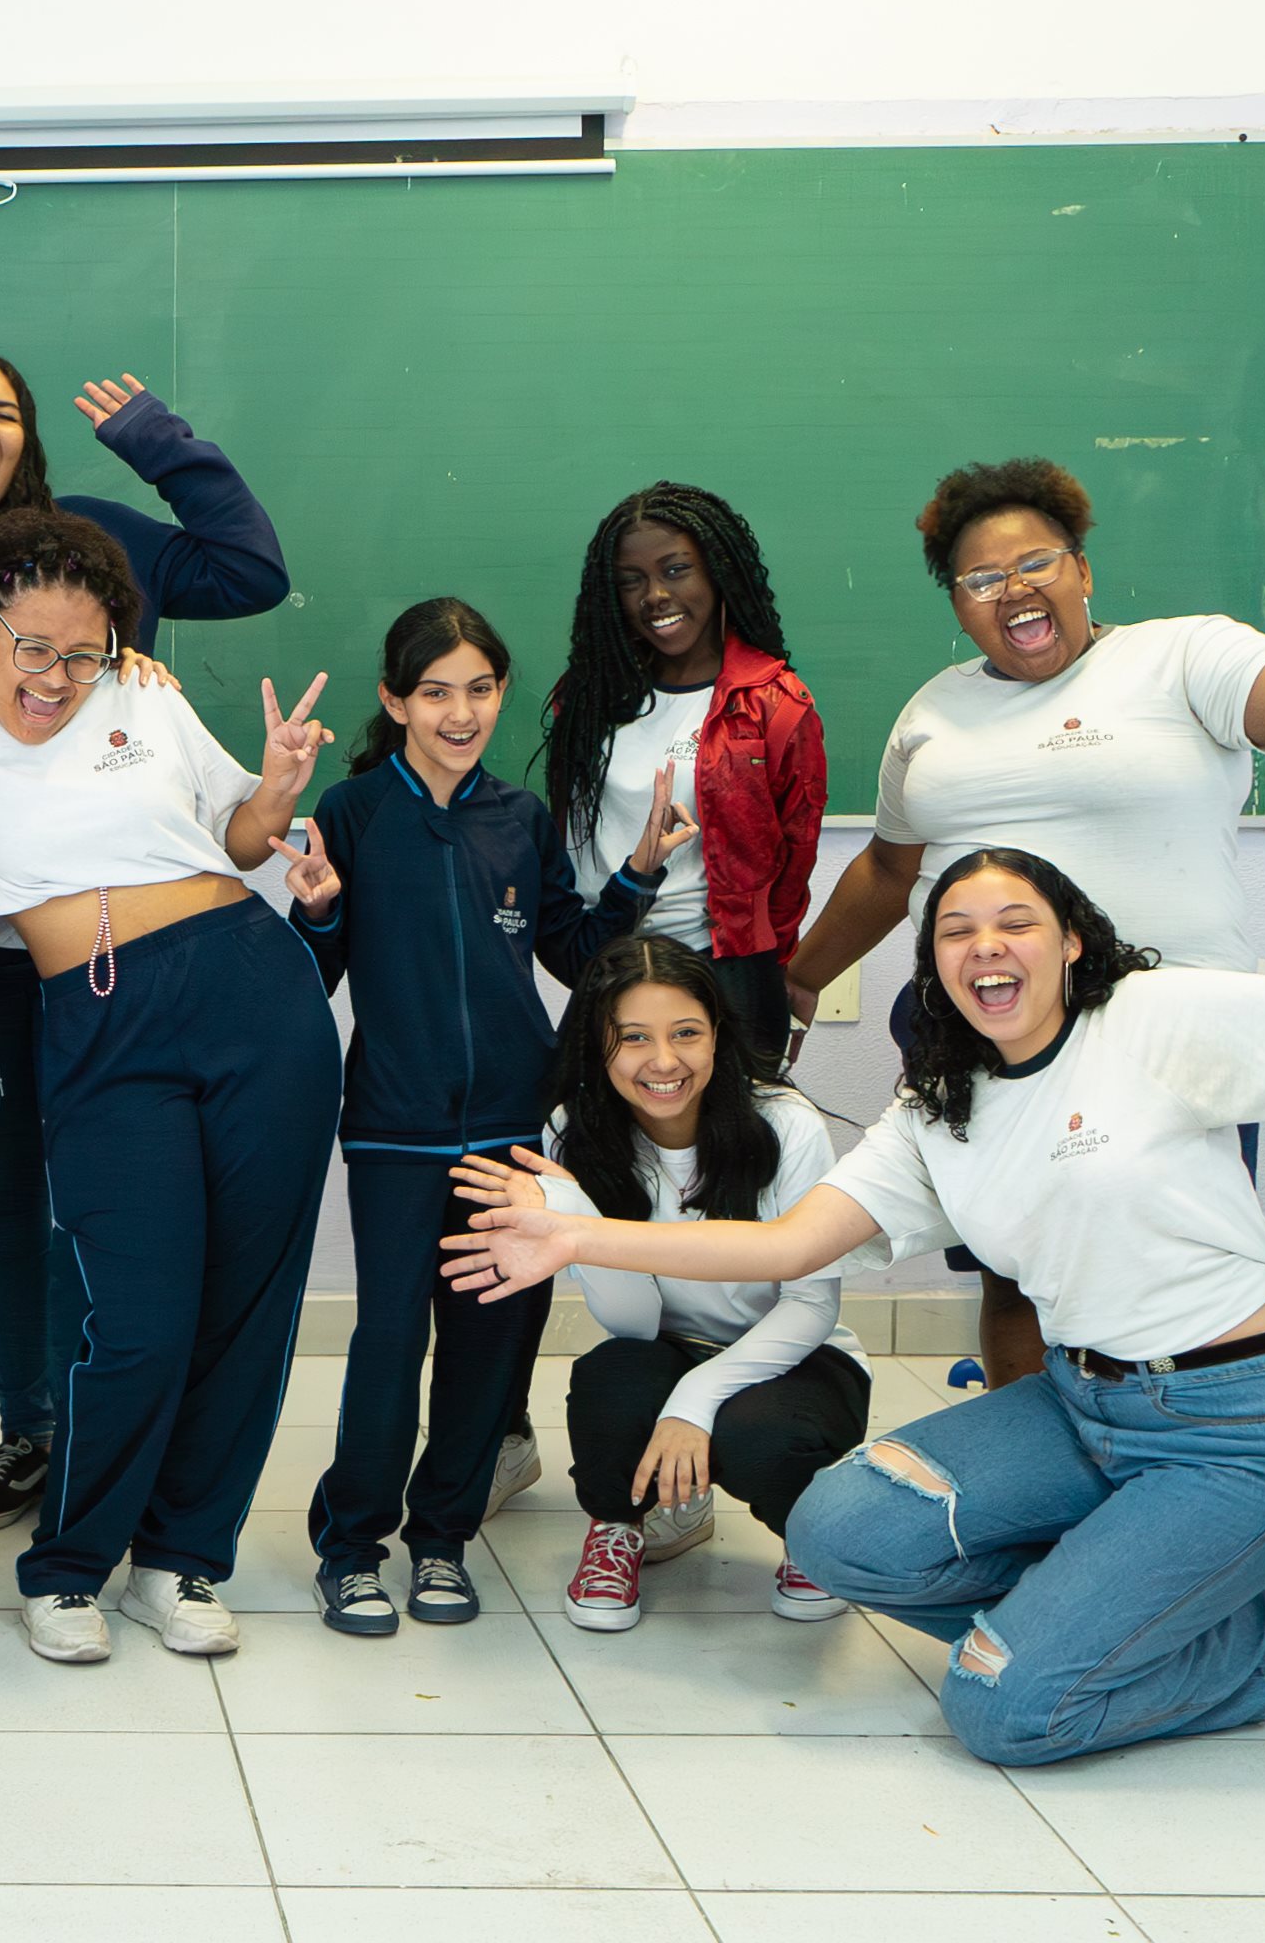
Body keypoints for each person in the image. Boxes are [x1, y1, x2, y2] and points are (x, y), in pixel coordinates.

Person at [448, 732, 1265, 1763]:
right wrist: (573, 1230)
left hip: (1240, 1420)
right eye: (954, 933)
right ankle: (1115, 1609)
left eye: (1012, 922)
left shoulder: (1165, 1019)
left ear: (1071, 938)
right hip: (1081, 1410)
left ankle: (1256, 1645)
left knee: (1003, 1713)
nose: (982, 948)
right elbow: (788, 1250)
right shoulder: (937, 1109)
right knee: (842, 1531)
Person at [782, 457, 1265, 1389]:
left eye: (1036, 563)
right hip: (989, 1027)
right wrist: (797, 977)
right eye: (982, 580)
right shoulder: (933, 711)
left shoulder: (1179, 655)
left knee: (1185, 1265)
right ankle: (1043, 1463)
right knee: (1013, 1273)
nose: (1014, 591)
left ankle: (1203, 1450)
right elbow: (887, 867)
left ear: (1081, 568)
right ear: (957, 605)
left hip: (1174, 1031)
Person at [0, 506, 337, 1662]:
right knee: (134, 1315)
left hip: (251, 989)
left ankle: (182, 1561)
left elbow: (238, 839)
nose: (57, 676)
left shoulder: (143, 694)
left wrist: (280, 787)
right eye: (32, 646)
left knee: (248, 1304)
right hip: (93, 1014)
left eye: (82, 652)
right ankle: (73, 1565)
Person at [0, 350, 297, 1543]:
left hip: (119, 944)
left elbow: (252, 568)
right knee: (2, 1198)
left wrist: (165, 442)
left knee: (95, 1208)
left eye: (3, 411)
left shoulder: (92, 539)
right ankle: (33, 1426)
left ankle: (99, 1432)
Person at [290, 598, 673, 1635]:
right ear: (395, 701)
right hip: (393, 1128)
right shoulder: (356, 810)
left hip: (507, 1127)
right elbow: (311, 974)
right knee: (387, 1341)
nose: (461, 713)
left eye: (481, 688)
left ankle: (443, 1538)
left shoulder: (520, 815)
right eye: (435, 692)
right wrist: (318, 907)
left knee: (490, 1341)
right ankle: (354, 1544)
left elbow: (571, 952)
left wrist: (637, 875)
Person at [529, 936, 871, 1634]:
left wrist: (694, 1402)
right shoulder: (573, 1131)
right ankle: (622, 1527)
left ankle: (813, 1536)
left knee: (758, 1437)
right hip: (665, 1344)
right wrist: (578, 1228)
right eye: (634, 1039)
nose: (663, 1062)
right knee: (608, 1382)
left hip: (800, 1356)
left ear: (718, 1034)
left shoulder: (786, 1124)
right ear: (600, 1046)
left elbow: (811, 1305)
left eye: (686, 1033)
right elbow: (630, 1323)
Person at [538, 482, 826, 1060]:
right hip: (610, 968)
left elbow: (794, 863)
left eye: (676, 570)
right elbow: (572, 847)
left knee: (731, 1147)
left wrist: (775, 969)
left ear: (719, 573)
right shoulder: (588, 698)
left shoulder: (774, 704)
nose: (655, 595)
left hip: (727, 979)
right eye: (631, 580)